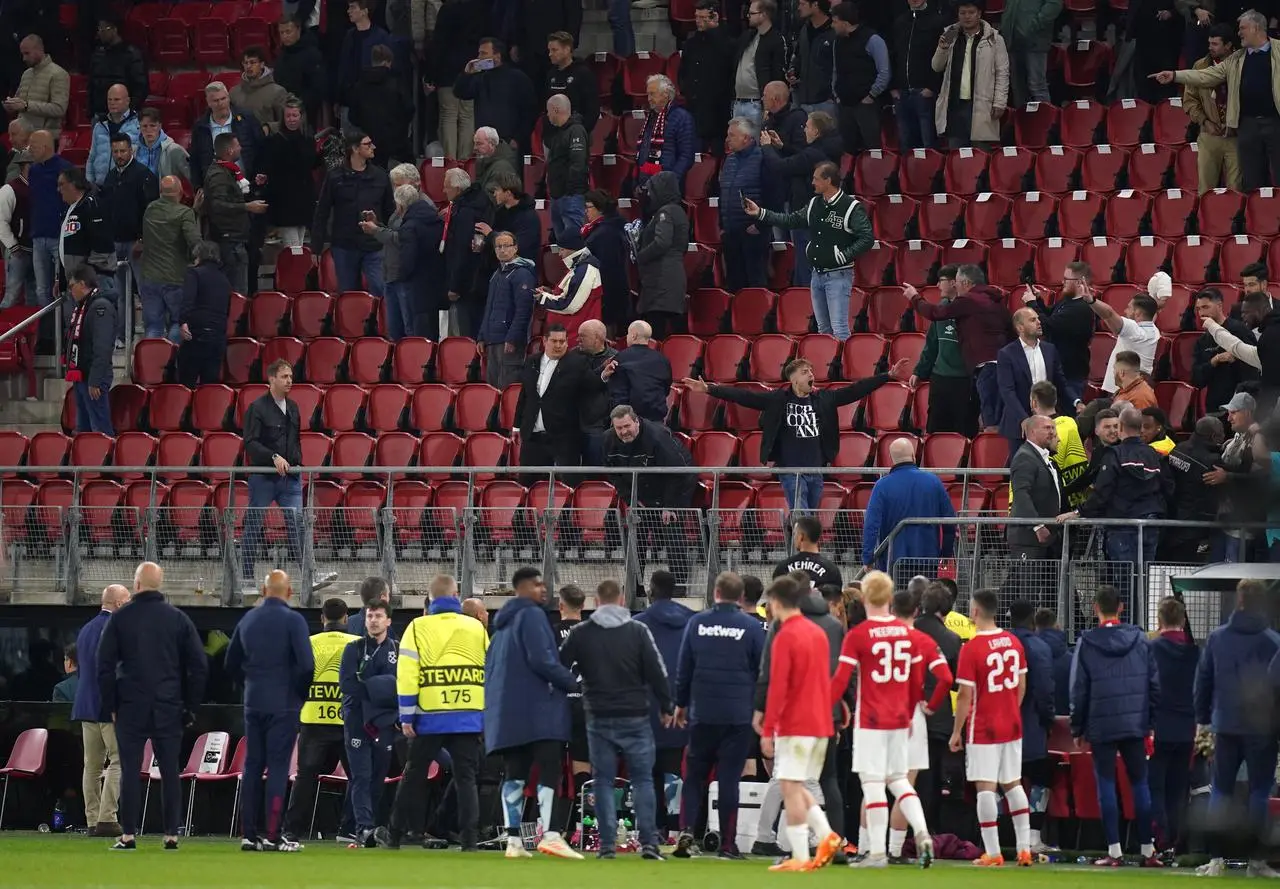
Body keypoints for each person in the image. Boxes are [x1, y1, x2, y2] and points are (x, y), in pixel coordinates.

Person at [686, 355, 906, 512]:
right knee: (802, 515)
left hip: (816, 469)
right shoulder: (778, 399)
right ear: (793, 379)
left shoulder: (824, 399)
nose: (811, 374)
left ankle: (798, 545)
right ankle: (803, 558)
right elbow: (744, 396)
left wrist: (886, 375)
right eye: (805, 372)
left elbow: (855, 390)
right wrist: (709, 389)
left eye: (811, 371)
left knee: (808, 515)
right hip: (791, 470)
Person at [559, 578, 674, 861]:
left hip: (597, 717)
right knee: (643, 780)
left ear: (596, 602)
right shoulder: (638, 631)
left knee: (603, 780)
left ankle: (606, 846)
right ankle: (649, 844)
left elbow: (559, 667)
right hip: (634, 715)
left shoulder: (581, 632)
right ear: (622, 601)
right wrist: (667, 705)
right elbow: (658, 672)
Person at [96, 562, 208, 851]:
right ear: (160, 584)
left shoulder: (120, 619)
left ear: (136, 584)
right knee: (170, 771)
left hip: (130, 705)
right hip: (168, 705)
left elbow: (104, 665)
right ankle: (171, 834)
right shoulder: (178, 618)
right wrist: (190, 705)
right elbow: (199, 665)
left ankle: (129, 835)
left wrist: (111, 704)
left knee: (130, 770)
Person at [829, 571, 935, 869]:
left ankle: (876, 853)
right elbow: (917, 680)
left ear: (863, 599)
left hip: (871, 718)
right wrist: (912, 711)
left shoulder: (858, 635)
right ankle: (923, 833)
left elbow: (840, 680)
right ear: (889, 598)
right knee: (899, 780)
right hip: (902, 717)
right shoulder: (909, 635)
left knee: (873, 784)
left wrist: (832, 707)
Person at [379, 575, 487, 850]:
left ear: (430, 598)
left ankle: (394, 835)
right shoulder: (475, 627)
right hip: (468, 713)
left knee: (413, 775)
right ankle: (470, 841)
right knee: (466, 778)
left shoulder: (417, 627)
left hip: (429, 715)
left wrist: (406, 716)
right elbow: (490, 671)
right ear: (456, 595)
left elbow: (406, 675)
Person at [484, 567, 582, 859]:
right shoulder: (532, 616)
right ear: (522, 588)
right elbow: (542, 661)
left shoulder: (501, 627)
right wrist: (571, 683)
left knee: (515, 772)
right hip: (538, 708)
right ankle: (551, 834)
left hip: (507, 711)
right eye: (537, 585)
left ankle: (513, 841)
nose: (543, 589)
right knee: (550, 766)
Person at [672, 571, 765, 860]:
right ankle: (727, 845)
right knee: (728, 780)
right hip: (737, 716)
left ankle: (687, 829)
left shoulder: (697, 623)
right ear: (740, 598)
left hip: (703, 712)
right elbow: (762, 670)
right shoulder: (751, 627)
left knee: (694, 777)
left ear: (715, 593)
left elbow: (684, 667)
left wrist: (681, 703)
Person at [752, 575, 842, 872]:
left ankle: (801, 856)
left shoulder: (784, 635)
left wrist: (768, 731)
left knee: (789, 786)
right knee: (798, 784)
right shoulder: (818, 632)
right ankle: (826, 835)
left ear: (776, 603)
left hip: (796, 723)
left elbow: (778, 687)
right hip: (820, 723)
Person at [1069, 586, 1161, 867]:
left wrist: (1077, 728)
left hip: (1101, 723)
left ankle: (1115, 851)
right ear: (1121, 607)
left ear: (1096, 608)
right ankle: (1147, 850)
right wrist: (1151, 722)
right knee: (1140, 784)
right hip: (1135, 723)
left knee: (1106, 784)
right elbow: (1154, 684)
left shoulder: (1087, 643)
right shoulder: (1141, 640)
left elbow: (1078, 689)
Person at [225, 570, 315, 852]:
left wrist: (249, 684)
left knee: (252, 765)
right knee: (277, 768)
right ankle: (272, 834)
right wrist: (298, 694)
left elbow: (230, 663)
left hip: (254, 702)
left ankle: (248, 835)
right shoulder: (294, 620)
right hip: (284, 704)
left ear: (263, 592)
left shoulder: (248, 619)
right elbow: (307, 665)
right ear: (289, 593)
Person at [1195, 580, 1280, 876]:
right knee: (1259, 791)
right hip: (1262, 729)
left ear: (1239, 601)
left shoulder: (1218, 639)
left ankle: (1217, 859)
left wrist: (1203, 719)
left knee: (1220, 790)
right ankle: (1255, 862)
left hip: (1225, 724)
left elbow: (1203, 682)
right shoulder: (1273, 642)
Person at [949, 589, 1032, 867]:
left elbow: (964, 696)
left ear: (974, 612)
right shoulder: (1013, 642)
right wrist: (1010, 708)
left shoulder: (972, 649)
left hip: (984, 725)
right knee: (1013, 784)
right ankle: (1024, 849)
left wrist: (957, 731)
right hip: (1011, 722)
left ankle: (994, 852)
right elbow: (1022, 686)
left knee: (986, 787)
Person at [744, 160, 871, 342]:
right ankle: (828, 368)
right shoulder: (814, 204)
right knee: (823, 329)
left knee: (840, 328)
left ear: (828, 181)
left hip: (838, 275)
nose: (812, 183)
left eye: (816, 179)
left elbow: (867, 238)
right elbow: (791, 220)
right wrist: (761, 213)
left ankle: (845, 370)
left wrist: (843, 255)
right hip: (816, 274)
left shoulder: (850, 206)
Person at [1153, 11, 1280, 191]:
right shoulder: (1236, 58)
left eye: (1242, 28)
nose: (1239, 33)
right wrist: (1174, 75)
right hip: (1247, 126)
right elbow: (1206, 76)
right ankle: (1254, 217)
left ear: (1256, 28)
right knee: (1252, 182)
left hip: (1276, 123)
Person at [279, 598, 358, 844]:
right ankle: (349, 829)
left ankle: (292, 830)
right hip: (347, 720)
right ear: (346, 618)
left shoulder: (308, 643)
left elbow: (294, 679)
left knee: (305, 778)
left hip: (313, 718)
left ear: (322, 619)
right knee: (357, 777)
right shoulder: (358, 644)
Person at [886, 589, 954, 862]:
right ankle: (898, 847)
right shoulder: (922, 641)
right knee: (906, 783)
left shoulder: (875, 636)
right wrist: (931, 705)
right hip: (912, 715)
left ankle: (872, 848)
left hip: (878, 715)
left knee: (873, 785)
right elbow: (946, 679)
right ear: (915, 611)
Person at [906, 267, 1013, 431]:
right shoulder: (994, 302)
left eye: (955, 281)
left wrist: (914, 298)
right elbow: (932, 345)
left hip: (973, 375)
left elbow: (935, 313)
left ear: (963, 283)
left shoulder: (969, 301)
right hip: (952, 377)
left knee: (985, 425)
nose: (955, 285)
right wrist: (920, 371)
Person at [602, 405, 697, 590]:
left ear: (636, 421)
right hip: (640, 487)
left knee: (672, 534)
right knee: (636, 535)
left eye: (627, 426)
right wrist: (631, 498)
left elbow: (677, 473)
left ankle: (679, 588)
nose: (624, 432)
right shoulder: (607, 440)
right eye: (619, 428)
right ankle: (634, 588)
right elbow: (612, 474)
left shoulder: (657, 437)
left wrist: (669, 506)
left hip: (676, 482)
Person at [635, 571, 696, 836]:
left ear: (650, 591)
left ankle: (650, 828)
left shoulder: (637, 624)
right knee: (673, 767)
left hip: (645, 706)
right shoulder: (691, 622)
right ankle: (673, 829)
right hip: (679, 704)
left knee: (647, 771)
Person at [338, 597, 399, 848]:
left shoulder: (397, 649)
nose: (373, 621)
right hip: (356, 721)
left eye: (377, 616)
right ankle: (364, 828)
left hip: (384, 722)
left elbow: (401, 685)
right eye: (369, 616)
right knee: (361, 776)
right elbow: (348, 685)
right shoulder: (353, 649)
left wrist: (370, 685)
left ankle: (365, 825)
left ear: (388, 621)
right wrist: (380, 689)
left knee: (377, 777)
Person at [72, 583, 131, 838]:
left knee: (92, 766)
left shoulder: (85, 629)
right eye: (127, 601)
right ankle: (108, 818)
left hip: (85, 705)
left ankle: (92, 819)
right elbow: (115, 672)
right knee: (120, 760)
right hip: (109, 708)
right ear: (118, 604)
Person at [760, 111, 844, 288]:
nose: (804, 130)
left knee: (807, 266)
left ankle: (807, 308)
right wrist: (782, 147)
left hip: (807, 215)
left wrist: (767, 147)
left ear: (816, 131)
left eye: (806, 126)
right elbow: (803, 157)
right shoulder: (825, 150)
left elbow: (782, 167)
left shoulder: (814, 155)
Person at [241, 360, 306, 588]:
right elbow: (250, 443)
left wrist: (296, 464)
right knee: (254, 524)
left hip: (290, 478)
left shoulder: (294, 407)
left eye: (290, 376)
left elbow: (295, 440)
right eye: (284, 376)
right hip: (264, 478)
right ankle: (247, 577)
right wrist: (273, 457)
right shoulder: (257, 408)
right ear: (271, 379)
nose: (290, 380)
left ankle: (309, 576)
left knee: (298, 523)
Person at [311, 129, 393, 297]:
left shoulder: (381, 176)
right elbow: (322, 212)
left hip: (374, 245)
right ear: (355, 148)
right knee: (348, 295)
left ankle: (381, 323)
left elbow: (390, 211)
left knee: (381, 289)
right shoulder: (335, 177)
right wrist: (316, 247)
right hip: (344, 245)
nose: (374, 147)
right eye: (368, 144)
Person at [362, 180, 445, 342]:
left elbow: (401, 240)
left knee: (410, 330)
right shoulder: (423, 216)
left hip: (408, 281)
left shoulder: (412, 223)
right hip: (412, 278)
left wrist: (376, 230)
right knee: (406, 328)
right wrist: (378, 224)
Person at [863, 436, 957, 577]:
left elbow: (871, 524)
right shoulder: (934, 482)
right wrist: (946, 552)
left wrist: (868, 557)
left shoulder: (882, 486)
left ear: (891, 459)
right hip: (928, 557)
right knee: (924, 597)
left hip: (893, 559)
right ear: (913, 456)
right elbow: (950, 521)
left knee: (898, 598)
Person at [1148, 596, 1198, 857]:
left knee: (1156, 785)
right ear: (1183, 620)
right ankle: (1177, 841)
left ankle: (1160, 839)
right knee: (1179, 789)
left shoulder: (1152, 650)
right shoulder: (1195, 653)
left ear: (1159, 620)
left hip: (1158, 729)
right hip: (1187, 730)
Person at [1007, 600, 1056, 856]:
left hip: (1001, 726)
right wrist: (1047, 719)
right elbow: (1046, 689)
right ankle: (1033, 837)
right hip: (1032, 726)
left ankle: (995, 836)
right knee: (1039, 779)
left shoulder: (1001, 643)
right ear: (1032, 619)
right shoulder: (1040, 647)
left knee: (1000, 781)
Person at [913, 583, 962, 828]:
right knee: (931, 775)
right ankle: (927, 830)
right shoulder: (951, 639)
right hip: (938, 716)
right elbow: (954, 682)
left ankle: (899, 832)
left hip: (906, 710)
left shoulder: (908, 630)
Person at [997, 308, 1076, 460]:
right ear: (1020, 327)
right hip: (1019, 423)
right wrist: (1024, 419)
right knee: (1022, 468)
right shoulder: (1007, 354)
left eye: (1038, 319)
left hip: (1049, 420)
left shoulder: (1050, 349)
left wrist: (1076, 401)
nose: (1039, 322)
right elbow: (1007, 391)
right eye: (1032, 320)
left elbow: (1061, 382)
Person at [101, 130, 157, 343]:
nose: (119, 155)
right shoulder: (110, 176)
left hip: (137, 243)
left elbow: (151, 212)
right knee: (121, 293)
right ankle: (124, 335)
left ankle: (153, 333)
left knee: (145, 290)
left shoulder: (144, 174)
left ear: (131, 150)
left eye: (123, 150)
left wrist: (143, 239)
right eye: (115, 151)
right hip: (115, 243)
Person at [931, 1, 1009, 150]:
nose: (967, 17)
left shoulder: (995, 39)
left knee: (980, 156)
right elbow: (936, 67)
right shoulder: (950, 35)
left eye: (971, 12)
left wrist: (999, 102)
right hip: (954, 105)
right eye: (963, 13)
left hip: (981, 105)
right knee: (957, 157)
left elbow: (1002, 73)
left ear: (979, 14)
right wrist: (942, 49)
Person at [514, 325, 592, 470]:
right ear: (544, 341)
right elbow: (525, 396)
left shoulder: (577, 363)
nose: (558, 345)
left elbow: (592, 385)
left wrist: (604, 375)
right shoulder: (531, 361)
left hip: (563, 438)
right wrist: (516, 426)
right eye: (554, 341)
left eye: (562, 341)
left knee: (568, 485)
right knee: (528, 485)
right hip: (533, 437)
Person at [201, 132, 266, 296]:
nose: (241, 148)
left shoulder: (227, 171)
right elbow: (217, 205)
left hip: (234, 237)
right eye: (238, 145)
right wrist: (247, 207)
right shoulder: (218, 175)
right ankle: (235, 321)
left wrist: (254, 185)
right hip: (229, 240)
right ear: (229, 150)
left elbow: (230, 196)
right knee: (237, 293)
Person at [910, 266, 974, 434]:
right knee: (935, 431)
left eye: (942, 281)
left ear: (954, 283)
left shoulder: (973, 310)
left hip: (965, 381)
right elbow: (931, 345)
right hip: (940, 380)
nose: (938, 285)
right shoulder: (940, 309)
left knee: (963, 431)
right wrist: (919, 371)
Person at [140, 176, 201, 344]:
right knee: (177, 323)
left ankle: (151, 365)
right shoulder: (184, 213)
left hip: (150, 278)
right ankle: (169, 364)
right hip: (176, 278)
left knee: (153, 326)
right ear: (181, 193)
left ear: (160, 193)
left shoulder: (150, 209)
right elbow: (194, 240)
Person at [1182, 25, 1242, 192]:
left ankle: (1234, 219)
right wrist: (1204, 121)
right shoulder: (1200, 66)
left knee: (1236, 189)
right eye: (1209, 43)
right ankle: (1206, 218)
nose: (1210, 47)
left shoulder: (1242, 64)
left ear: (1228, 45)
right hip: (1209, 135)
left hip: (1236, 136)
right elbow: (1189, 101)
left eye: (1215, 44)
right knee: (1205, 189)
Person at [1023, 262, 1094, 400]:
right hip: (1059, 371)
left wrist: (1031, 304)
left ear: (1080, 282)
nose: (1063, 282)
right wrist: (1039, 301)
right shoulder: (1067, 301)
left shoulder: (1081, 308)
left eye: (1067, 279)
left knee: (1069, 416)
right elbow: (1051, 315)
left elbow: (1048, 326)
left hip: (1071, 374)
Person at [453, 38, 537, 155]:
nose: (479, 57)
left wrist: (518, 139)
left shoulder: (517, 78)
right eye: (479, 53)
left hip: (508, 144)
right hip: (484, 144)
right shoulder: (480, 77)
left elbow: (529, 112)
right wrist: (466, 73)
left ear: (497, 56)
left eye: (484, 53)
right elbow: (460, 93)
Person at [634, 171, 689, 339]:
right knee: (675, 328)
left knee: (655, 330)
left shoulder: (666, 212)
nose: (649, 195)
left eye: (652, 190)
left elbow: (662, 242)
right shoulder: (678, 210)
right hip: (671, 276)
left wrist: (640, 256)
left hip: (661, 279)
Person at [260, 96, 320, 250]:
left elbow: (311, 165)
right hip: (285, 201)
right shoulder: (274, 141)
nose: (291, 119)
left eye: (295, 115)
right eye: (288, 115)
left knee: (299, 243)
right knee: (293, 248)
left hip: (304, 198)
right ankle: (293, 273)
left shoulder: (308, 139)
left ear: (301, 116)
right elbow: (270, 169)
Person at [478, 231, 536, 389]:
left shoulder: (522, 274)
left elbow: (523, 311)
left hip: (509, 341)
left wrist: (512, 338)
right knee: (492, 388)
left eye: (506, 246)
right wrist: (482, 336)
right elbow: (489, 307)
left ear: (515, 248)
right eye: (498, 247)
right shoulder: (497, 274)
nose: (502, 250)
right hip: (492, 339)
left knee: (507, 387)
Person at [831, 2, 890, 155]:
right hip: (845, 104)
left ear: (844, 22)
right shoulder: (838, 41)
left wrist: (871, 95)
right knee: (847, 148)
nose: (832, 25)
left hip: (866, 104)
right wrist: (836, 93)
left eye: (835, 21)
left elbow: (884, 72)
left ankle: (876, 176)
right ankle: (850, 178)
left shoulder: (872, 39)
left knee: (873, 147)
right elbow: (836, 70)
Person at [1162, 416, 1223, 561]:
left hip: (1172, 516)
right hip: (1195, 523)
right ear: (1213, 436)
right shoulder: (1212, 461)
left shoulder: (1178, 448)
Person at [64, 266, 116, 436]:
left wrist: (95, 379)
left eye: (72, 286)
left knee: (100, 430)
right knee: (83, 429)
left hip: (93, 378)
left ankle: (106, 461)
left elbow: (102, 347)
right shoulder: (84, 306)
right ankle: (85, 462)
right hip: (81, 376)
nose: (70, 290)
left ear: (82, 284)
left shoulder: (101, 307)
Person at [441, 168, 492, 337]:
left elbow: (461, 250)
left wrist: (455, 285)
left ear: (457, 189)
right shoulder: (480, 202)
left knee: (468, 332)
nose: (443, 190)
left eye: (446, 187)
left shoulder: (465, 212)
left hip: (467, 284)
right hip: (479, 278)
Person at [1008, 415, 1065, 568]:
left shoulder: (1043, 457)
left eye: (1053, 428)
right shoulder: (1025, 457)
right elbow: (1021, 495)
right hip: (1029, 538)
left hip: (1046, 537)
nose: (1052, 432)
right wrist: (1038, 526)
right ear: (1032, 431)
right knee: (1027, 589)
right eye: (1047, 428)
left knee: (1027, 587)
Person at [719, 117, 768, 291]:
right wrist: (722, 225)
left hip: (752, 232)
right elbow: (723, 192)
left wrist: (760, 224)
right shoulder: (729, 160)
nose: (727, 139)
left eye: (732, 135)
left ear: (746, 138)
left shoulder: (763, 158)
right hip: (731, 232)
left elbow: (772, 194)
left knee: (755, 282)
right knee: (734, 283)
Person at [679, 1, 735, 153]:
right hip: (695, 109)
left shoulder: (727, 42)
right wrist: (687, 89)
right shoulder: (691, 44)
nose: (698, 21)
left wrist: (715, 29)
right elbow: (683, 71)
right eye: (697, 17)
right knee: (695, 153)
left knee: (717, 152)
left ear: (714, 17)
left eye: (703, 17)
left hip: (718, 111)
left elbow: (730, 72)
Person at [175, 241, 232, 387]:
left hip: (197, 333)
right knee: (209, 387)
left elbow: (188, 299)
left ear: (199, 256)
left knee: (186, 383)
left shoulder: (194, 273)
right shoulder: (224, 279)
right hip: (218, 337)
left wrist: (183, 322)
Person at [1193, 287, 1258, 414]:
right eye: (1198, 309)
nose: (1201, 313)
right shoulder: (1202, 340)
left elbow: (1254, 368)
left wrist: (1237, 358)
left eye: (1206, 307)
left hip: (1241, 407)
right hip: (1214, 407)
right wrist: (1214, 361)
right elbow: (1197, 379)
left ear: (1219, 305)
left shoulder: (1239, 330)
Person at [348, 44, 413, 168]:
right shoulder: (397, 83)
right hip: (397, 142)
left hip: (369, 142)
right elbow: (409, 108)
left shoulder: (359, 85)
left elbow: (353, 116)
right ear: (387, 62)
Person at [189, 81, 262, 190]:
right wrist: (198, 187)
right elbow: (195, 160)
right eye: (216, 100)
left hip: (248, 184)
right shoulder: (201, 127)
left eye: (223, 99)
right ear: (208, 102)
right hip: (216, 188)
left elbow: (260, 147)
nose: (220, 103)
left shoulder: (246, 119)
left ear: (228, 98)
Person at [27, 130, 70, 312]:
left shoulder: (65, 169)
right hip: (38, 236)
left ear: (44, 147)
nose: (30, 150)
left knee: (63, 288)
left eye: (33, 146)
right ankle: (47, 333)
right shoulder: (34, 171)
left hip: (59, 237)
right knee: (41, 289)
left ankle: (66, 330)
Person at [535, 238, 605, 345]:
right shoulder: (578, 266)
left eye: (562, 250)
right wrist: (551, 292)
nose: (559, 254)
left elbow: (570, 305)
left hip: (575, 338)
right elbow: (570, 294)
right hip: (569, 335)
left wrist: (543, 298)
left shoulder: (585, 269)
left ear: (572, 250)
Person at [1089, 290, 1161, 391]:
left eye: (1129, 308)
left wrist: (1090, 301)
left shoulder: (1135, 332)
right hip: (1136, 387)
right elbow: (1109, 320)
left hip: (1124, 390)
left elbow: (1109, 314)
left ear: (1138, 312)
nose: (1125, 311)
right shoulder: (1154, 330)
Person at [542, 94, 589, 251]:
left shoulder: (576, 131)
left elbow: (578, 163)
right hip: (558, 196)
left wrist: (569, 190)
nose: (548, 115)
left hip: (570, 196)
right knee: (562, 245)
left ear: (555, 109)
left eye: (548, 111)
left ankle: (579, 274)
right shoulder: (559, 132)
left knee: (574, 242)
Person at [604, 320, 673, 424]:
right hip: (656, 420)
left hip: (628, 422)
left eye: (628, 333)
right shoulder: (663, 360)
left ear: (634, 336)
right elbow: (666, 389)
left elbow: (616, 392)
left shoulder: (621, 358)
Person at [581, 190, 631, 333]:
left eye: (588, 207)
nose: (586, 212)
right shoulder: (602, 229)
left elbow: (608, 269)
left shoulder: (606, 233)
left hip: (607, 298)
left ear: (600, 208)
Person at [634, 76, 696, 191]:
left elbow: (686, 156)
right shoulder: (650, 117)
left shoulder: (682, 117)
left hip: (667, 188)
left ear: (666, 94)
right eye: (648, 94)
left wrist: (671, 182)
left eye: (652, 94)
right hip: (646, 185)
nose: (649, 99)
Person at [731, 0, 787, 126]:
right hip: (738, 101)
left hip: (757, 104)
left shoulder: (776, 40)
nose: (747, 16)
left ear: (764, 15)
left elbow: (777, 74)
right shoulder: (747, 36)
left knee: (756, 142)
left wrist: (769, 106)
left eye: (752, 13)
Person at [87, 16, 146, 120]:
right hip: (100, 114)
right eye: (99, 29)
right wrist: (91, 110)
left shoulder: (131, 54)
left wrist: (129, 110)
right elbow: (92, 84)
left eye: (103, 29)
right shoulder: (97, 54)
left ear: (114, 30)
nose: (100, 33)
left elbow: (140, 86)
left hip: (124, 115)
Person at [11, 35, 70, 139]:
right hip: (23, 136)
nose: (24, 58)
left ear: (39, 50)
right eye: (22, 54)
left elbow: (59, 109)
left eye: (27, 53)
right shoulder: (26, 74)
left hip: (45, 139)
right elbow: (19, 101)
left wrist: (26, 106)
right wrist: (11, 104)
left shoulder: (58, 74)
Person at [273, 16, 327, 125]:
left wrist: (297, 105)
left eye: (288, 32)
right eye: (281, 33)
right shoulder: (281, 54)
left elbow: (317, 87)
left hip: (304, 111)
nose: (284, 36)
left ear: (298, 30)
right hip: (283, 108)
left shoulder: (312, 54)